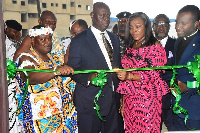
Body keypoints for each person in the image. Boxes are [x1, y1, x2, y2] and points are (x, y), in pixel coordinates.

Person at [67, 2, 121, 133]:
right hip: (90, 103)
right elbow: (72, 69)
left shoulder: (114, 39)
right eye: (102, 16)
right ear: (92, 15)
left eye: (108, 16)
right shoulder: (79, 41)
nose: (106, 19)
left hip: (113, 102)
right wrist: (89, 77)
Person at [15, 25, 78, 132]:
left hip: (61, 118)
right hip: (39, 119)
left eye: (49, 39)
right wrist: (55, 71)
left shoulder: (54, 58)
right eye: (42, 39)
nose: (47, 42)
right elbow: (30, 77)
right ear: (33, 41)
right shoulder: (26, 57)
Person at [116, 12, 170, 132]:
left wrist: (129, 76)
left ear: (146, 27)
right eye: (131, 27)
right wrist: (123, 102)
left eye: (138, 26)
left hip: (147, 98)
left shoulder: (155, 46)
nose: (133, 30)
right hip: (130, 98)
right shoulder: (130, 45)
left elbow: (153, 74)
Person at [172, 5, 200, 130]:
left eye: (183, 23)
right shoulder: (178, 42)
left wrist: (187, 87)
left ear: (196, 24)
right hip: (178, 107)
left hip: (195, 109)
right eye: (177, 22)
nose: (178, 27)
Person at [153, 14, 176, 131]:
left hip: (170, 96)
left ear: (169, 26)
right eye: (158, 24)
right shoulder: (146, 45)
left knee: (173, 128)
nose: (161, 27)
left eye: (164, 24)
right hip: (151, 96)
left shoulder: (176, 44)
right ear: (153, 26)